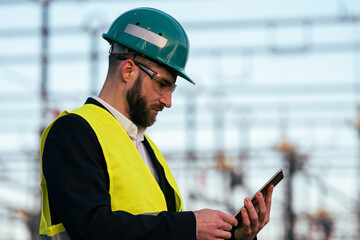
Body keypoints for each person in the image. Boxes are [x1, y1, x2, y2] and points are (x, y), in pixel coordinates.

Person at [39, 7, 274, 240]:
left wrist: (236, 237)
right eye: (162, 84)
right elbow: (90, 227)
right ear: (128, 70)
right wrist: (188, 226)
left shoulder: (147, 150)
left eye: (171, 88)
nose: (168, 101)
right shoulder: (72, 132)